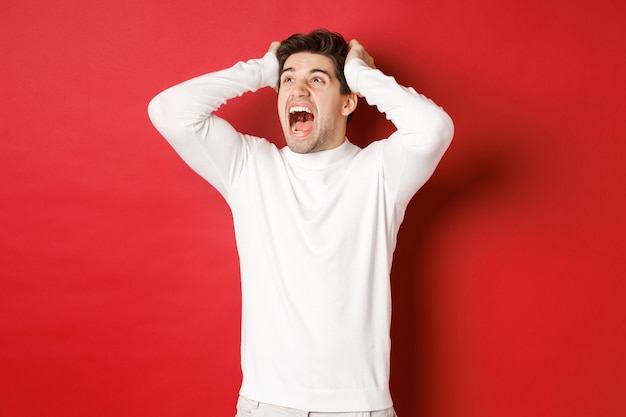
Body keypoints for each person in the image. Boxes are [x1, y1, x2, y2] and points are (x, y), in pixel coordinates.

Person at [148, 29, 453, 417]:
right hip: (267, 405)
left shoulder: (381, 171)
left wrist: (359, 72)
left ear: (347, 103)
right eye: (288, 78)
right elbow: (168, 111)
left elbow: (434, 129)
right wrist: (262, 69)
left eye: (317, 80)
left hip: (359, 409)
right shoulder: (249, 166)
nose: (298, 89)